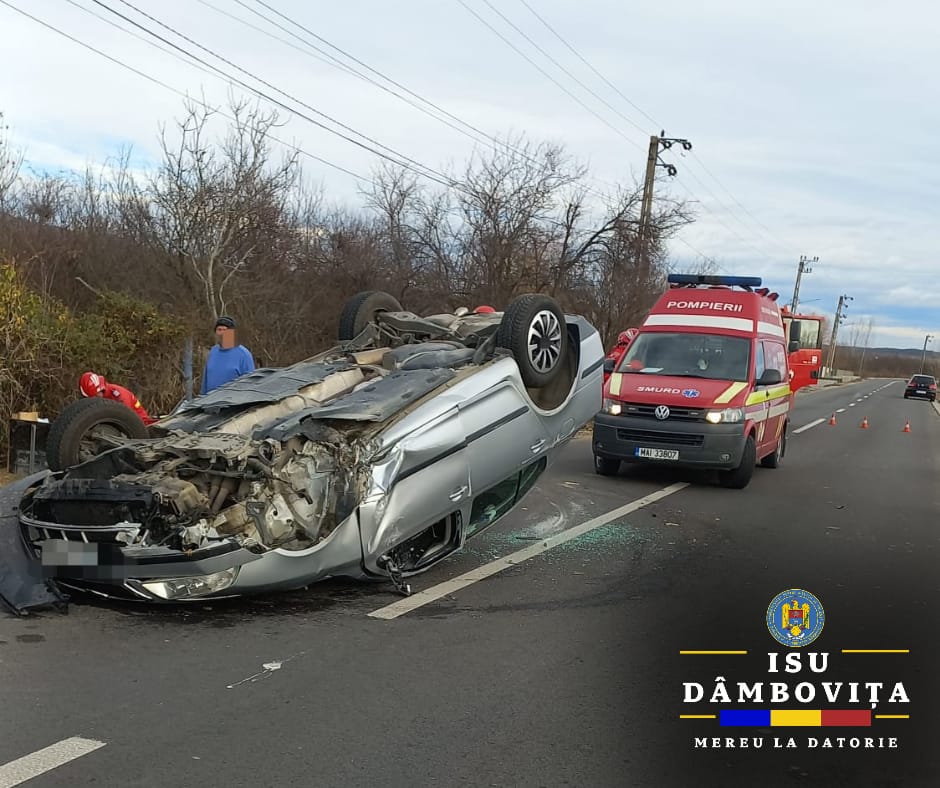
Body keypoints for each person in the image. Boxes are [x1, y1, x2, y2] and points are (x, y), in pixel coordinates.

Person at [201, 315, 255, 395]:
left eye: (225, 330)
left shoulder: (244, 354)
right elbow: (205, 382)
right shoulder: (213, 352)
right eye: (219, 330)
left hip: (234, 404)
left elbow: (251, 384)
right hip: (210, 404)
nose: (222, 333)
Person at [79, 371, 156, 425]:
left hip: (140, 424)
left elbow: (127, 417)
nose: (94, 399)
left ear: (102, 389)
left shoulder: (118, 395)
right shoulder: (99, 400)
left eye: (96, 395)